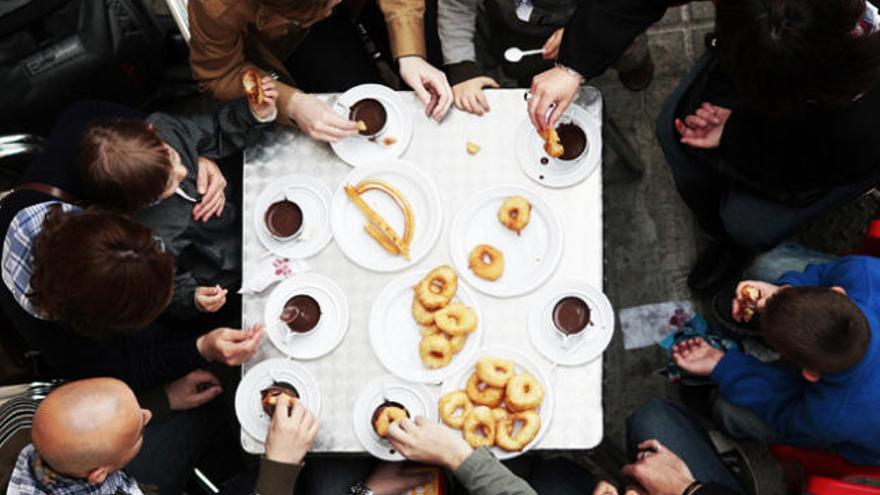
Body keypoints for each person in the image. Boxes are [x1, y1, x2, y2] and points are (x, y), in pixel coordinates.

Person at [77, 78, 278, 319]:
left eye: (172, 156)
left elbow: (213, 129)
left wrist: (250, 113)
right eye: (168, 183)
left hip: (252, 196)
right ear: (139, 203)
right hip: (233, 260)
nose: (182, 171)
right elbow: (165, 284)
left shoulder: (166, 129)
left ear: (151, 131)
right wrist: (192, 297)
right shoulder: (147, 235)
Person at [672, 256, 880, 465]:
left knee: (728, 409)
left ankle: (720, 393)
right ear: (838, 292)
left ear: (809, 374)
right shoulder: (864, 273)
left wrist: (723, 366)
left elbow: (785, 412)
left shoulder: (830, 416)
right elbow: (824, 273)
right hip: (851, 391)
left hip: (858, 429)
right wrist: (783, 289)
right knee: (767, 267)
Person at [188, 0, 454, 143]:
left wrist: (411, 54)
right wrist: (292, 103)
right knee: (352, 114)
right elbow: (219, 73)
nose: (333, 7)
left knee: (436, 65)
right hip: (295, 37)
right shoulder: (215, 5)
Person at [5, 378, 319, 495]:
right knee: (303, 478)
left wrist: (164, 397)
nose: (148, 416)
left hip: (130, 481)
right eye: (137, 430)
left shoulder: (19, 417)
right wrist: (280, 467)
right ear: (98, 474)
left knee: (207, 409)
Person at [437, 0, 652, 115]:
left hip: (593, 14)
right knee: (520, 68)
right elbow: (456, 7)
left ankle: (634, 66)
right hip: (520, 31)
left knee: (628, 51)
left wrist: (578, 32)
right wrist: (461, 66)